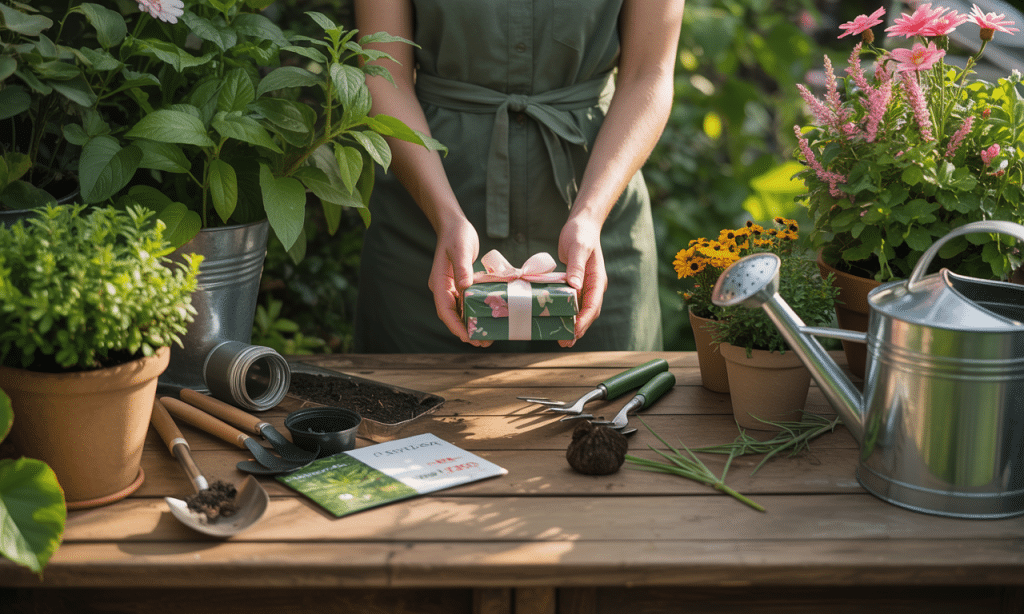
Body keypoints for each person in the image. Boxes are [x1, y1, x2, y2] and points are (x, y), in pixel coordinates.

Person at [352, 0, 685, 353]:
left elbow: (649, 75)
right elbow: (384, 76)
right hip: (421, 230)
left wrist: (591, 215)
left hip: (598, 235)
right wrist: (445, 217)